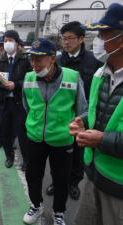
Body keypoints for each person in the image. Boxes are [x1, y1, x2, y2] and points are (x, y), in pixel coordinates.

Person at [22, 38, 87, 225]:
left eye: (39, 58)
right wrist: (37, 123)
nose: (34, 63)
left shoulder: (72, 77)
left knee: (61, 179)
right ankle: (36, 205)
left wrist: (75, 125)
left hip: (62, 139)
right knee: (32, 175)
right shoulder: (28, 78)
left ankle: (59, 212)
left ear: (52, 58)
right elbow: (28, 107)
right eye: (31, 58)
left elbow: (82, 109)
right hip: (34, 137)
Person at [71, 3, 123, 225]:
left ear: (120, 39)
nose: (98, 41)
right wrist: (81, 121)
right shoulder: (101, 73)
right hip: (93, 173)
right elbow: (95, 110)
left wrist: (101, 139)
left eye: (104, 35)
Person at [45, 21, 103, 200]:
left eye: (70, 38)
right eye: (63, 38)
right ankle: (57, 181)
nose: (66, 42)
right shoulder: (57, 60)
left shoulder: (93, 61)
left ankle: (74, 182)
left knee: (78, 152)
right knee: (58, 153)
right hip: (59, 116)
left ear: (81, 39)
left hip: (82, 116)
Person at [0, 29, 32, 169]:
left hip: (19, 103)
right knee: (5, 133)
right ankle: (9, 157)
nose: (7, 43)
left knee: (22, 134)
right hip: (3, 102)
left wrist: (16, 85)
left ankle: (26, 160)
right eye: (5, 40)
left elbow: (30, 81)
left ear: (16, 43)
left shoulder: (25, 60)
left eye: (10, 40)